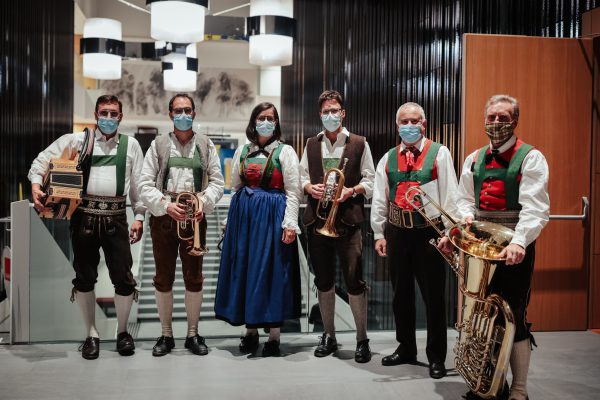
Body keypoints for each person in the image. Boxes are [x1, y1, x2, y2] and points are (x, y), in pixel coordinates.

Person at [443, 94, 549, 399]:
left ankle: (519, 388)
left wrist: (519, 242)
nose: (496, 122)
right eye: (491, 117)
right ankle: (488, 383)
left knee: (513, 315)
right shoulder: (473, 158)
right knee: (481, 314)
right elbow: (464, 200)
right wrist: (462, 225)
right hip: (481, 247)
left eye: (503, 117)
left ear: (515, 120)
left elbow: (535, 208)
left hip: (514, 247)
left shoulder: (531, 157)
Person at [29, 94, 145, 360]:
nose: (108, 118)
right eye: (104, 113)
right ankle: (91, 334)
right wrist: (36, 184)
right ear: (96, 115)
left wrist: (139, 217)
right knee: (84, 277)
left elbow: (138, 187)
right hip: (83, 218)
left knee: (124, 278)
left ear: (120, 117)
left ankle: (122, 333)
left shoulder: (131, 145)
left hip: (117, 218)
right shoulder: (77, 140)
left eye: (113, 113)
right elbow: (41, 161)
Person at [371, 102, 459, 378]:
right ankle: (406, 347)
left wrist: (449, 233)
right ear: (397, 126)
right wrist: (379, 233)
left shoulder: (440, 153)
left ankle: (436, 356)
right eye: (404, 122)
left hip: (429, 233)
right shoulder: (387, 158)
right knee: (401, 295)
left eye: (414, 121)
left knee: (434, 296)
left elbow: (451, 195)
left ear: (424, 124)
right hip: (397, 232)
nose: (409, 126)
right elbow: (380, 198)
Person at [138, 93, 224, 357]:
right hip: (164, 216)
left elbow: (218, 182)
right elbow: (144, 183)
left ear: (194, 114)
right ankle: (166, 334)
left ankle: (192, 334)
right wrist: (166, 205)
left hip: (195, 216)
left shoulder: (206, 144)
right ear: (170, 114)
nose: (183, 115)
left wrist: (203, 203)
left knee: (194, 277)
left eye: (187, 110)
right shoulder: (158, 144)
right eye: (178, 111)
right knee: (163, 277)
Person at [214, 102, 302, 357]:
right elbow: (236, 187)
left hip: (273, 218)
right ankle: (250, 331)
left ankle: (274, 335)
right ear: (254, 122)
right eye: (261, 117)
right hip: (245, 220)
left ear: (276, 123)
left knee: (272, 272)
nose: (266, 122)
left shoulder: (285, 152)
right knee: (246, 270)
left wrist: (290, 223)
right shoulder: (243, 151)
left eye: (270, 118)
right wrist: (229, 222)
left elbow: (293, 191)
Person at [300, 90, 375, 363]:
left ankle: (362, 339)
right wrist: (309, 187)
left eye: (335, 110)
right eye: (325, 111)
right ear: (320, 115)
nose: (330, 115)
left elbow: (371, 180)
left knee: (354, 281)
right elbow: (301, 178)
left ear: (342, 113)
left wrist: (351, 190)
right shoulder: (311, 144)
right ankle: (329, 335)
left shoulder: (359, 143)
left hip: (348, 221)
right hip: (318, 221)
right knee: (323, 281)